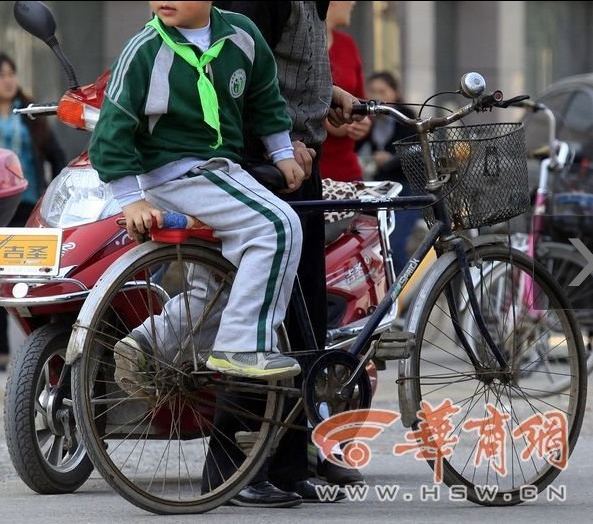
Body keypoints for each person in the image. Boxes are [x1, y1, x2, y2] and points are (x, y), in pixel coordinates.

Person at [91, 1, 306, 386]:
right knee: (278, 226)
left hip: (210, 177)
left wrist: (282, 151)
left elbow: (264, 98)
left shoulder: (241, 35)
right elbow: (111, 130)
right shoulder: (143, 49)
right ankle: (244, 345)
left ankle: (146, 345)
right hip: (184, 177)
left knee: (213, 288)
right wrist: (131, 199)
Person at [209, 1, 366, 507]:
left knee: (306, 323)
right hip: (266, 165)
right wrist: (277, 146)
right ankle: (229, 465)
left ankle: (291, 462)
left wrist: (327, 97)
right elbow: (234, 72)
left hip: (298, 159)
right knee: (264, 314)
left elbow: (284, 66)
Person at [0, 52, 68, 372]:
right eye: (0, 75)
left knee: (35, 279)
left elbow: (56, 155)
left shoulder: (30, 113)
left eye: (12, 73)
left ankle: (42, 346)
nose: (8, 79)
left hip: (27, 208)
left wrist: (54, 194)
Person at [357, 71, 419, 275]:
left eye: (382, 91)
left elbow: (416, 151)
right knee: (374, 243)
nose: (377, 96)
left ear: (395, 93)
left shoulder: (406, 117)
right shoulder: (370, 119)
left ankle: (401, 294)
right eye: (373, 91)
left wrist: (390, 159)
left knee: (394, 243)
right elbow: (356, 147)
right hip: (381, 189)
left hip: (407, 189)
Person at [319, 0, 371, 182]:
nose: (354, 3)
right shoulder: (300, 45)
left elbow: (361, 99)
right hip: (308, 167)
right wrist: (326, 119)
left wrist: (363, 122)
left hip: (347, 168)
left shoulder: (348, 45)